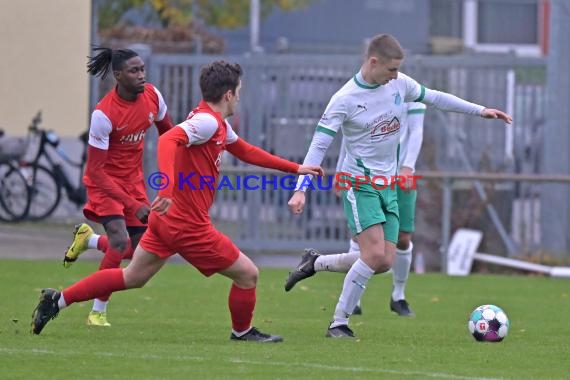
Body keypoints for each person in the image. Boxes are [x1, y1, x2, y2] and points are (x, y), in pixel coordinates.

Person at [31, 60, 324, 342]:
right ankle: (242, 332)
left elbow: (245, 150)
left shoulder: (216, 123)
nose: (239, 99)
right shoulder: (208, 122)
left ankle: (57, 301)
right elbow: (168, 139)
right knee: (248, 274)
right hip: (187, 225)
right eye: (239, 92)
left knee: (132, 276)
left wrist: (295, 168)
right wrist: (168, 189)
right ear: (229, 94)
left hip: (166, 222)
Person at [286, 34, 512, 339]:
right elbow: (318, 146)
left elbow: (434, 97)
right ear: (373, 62)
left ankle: (316, 262)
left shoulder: (398, 84)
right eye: (391, 70)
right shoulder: (344, 99)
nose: (396, 76)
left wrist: (480, 110)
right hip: (359, 184)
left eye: (397, 70)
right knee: (373, 254)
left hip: (389, 186)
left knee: (383, 261)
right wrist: (301, 188)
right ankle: (339, 322)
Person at [60, 46, 175, 327]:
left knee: (138, 254)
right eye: (134, 71)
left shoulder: (153, 96)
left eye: (143, 69)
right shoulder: (104, 114)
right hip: (105, 184)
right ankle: (98, 311)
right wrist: (134, 205)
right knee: (119, 241)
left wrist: (173, 175)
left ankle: (88, 240)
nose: (141, 76)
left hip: (133, 181)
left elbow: (169, 135)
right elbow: (96, 172)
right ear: (118, 75)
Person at [285, 102, 427, 318]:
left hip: (400, 177)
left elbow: (416, 130)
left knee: (401, 240)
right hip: (366, 178)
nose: (392, 73)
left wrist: (408, 167)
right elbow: (350, 139)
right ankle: (349, 309)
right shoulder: (363, 96)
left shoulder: (411, 92)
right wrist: (341, 171)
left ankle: (398, 296)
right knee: (364, 242)